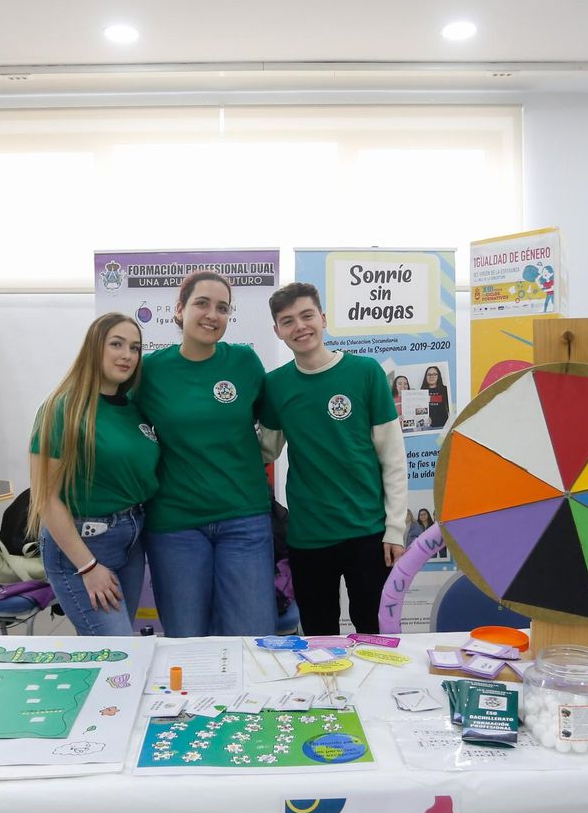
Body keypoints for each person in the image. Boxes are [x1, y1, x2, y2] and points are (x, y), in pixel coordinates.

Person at [258, 283, 407, 636]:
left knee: (375, 634)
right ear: (277, 331)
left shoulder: (365, 372)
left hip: (368, 533)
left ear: (323, 319)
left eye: (307, 315)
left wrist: (396, 530)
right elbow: (265, 450)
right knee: (319, 638)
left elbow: (393, 457)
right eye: (288, 321)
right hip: (308, 537)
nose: (300, 327)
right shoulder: (276, 385)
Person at [136, 271, 275, 637]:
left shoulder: (244, 362)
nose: (212, 314)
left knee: (252, 639)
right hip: (175, 526)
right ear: (179, 310)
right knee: (186, 639)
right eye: (202, 303)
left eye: (222, 308)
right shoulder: (149, 370)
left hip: (244, 519)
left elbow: (274, 420)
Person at [28, 312, 158, 636]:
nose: (127, 355)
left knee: (117, 648)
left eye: (135, 347)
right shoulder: (63, 408)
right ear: (94, 348)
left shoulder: (134, 407)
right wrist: (87, 566)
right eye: (116, 344)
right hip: (82, 544)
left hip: (130, 538)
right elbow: (45, 497)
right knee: (116, 649)